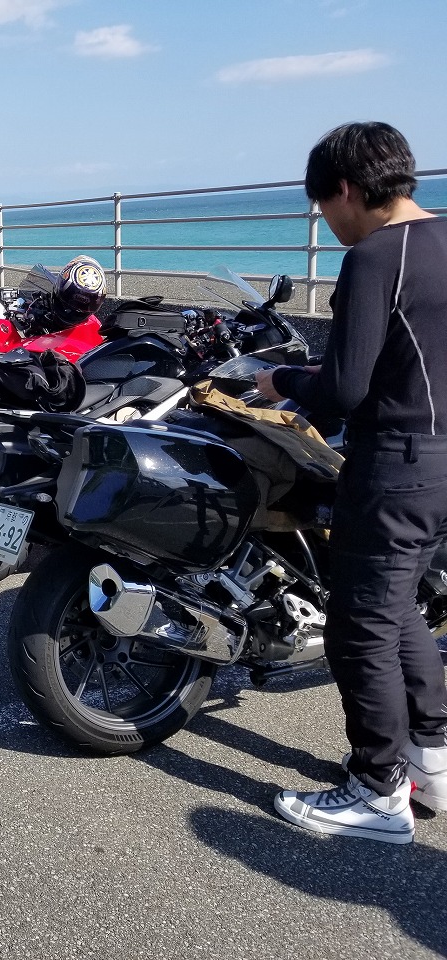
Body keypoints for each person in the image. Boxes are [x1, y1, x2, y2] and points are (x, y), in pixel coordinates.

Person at [253, 122, 447, 844]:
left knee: (359, 625)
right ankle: (430, 757)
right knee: (399, 608)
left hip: (397, 462)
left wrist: (282, 379)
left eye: (322, 206)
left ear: (345, 189)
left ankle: (376, 790)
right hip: (443, 464)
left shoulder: (374, 257)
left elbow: (341, 391)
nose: (326, 222)